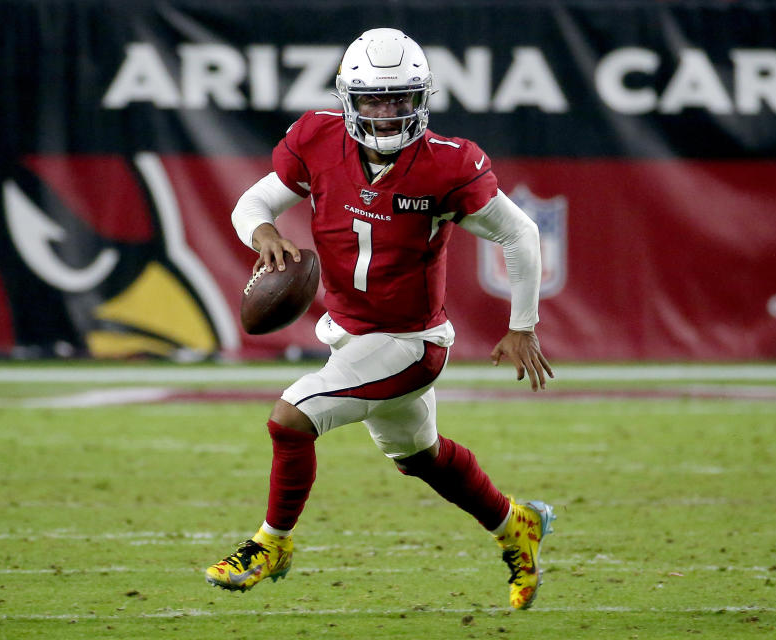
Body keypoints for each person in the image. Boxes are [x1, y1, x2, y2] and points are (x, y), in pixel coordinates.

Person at [205, 27, 555, 610]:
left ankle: (272, 542)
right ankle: (514, 523)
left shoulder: (447, 163)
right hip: (351, 336)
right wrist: (263, 231)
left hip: (411, 342)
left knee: (291, 418)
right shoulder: (317, 137)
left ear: (421, 99)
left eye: (399, 98)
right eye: (373, 98)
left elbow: (519, 232)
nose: (387, 112)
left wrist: (522, 324)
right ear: (350, 99)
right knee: (421, 457)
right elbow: (253, 203)